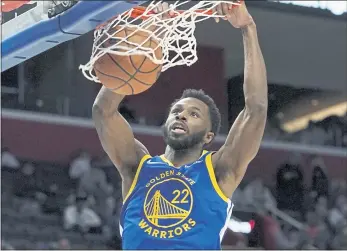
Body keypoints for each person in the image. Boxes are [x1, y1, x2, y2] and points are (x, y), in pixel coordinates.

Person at [92, 1, 267, 250]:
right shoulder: (138, 167)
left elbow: (256, 110)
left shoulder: (219, 170)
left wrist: (247, 27)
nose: (181, 116)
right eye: (176, 111)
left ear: (208, 136)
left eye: (193, 114)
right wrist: (152, 39)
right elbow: (103, 111)